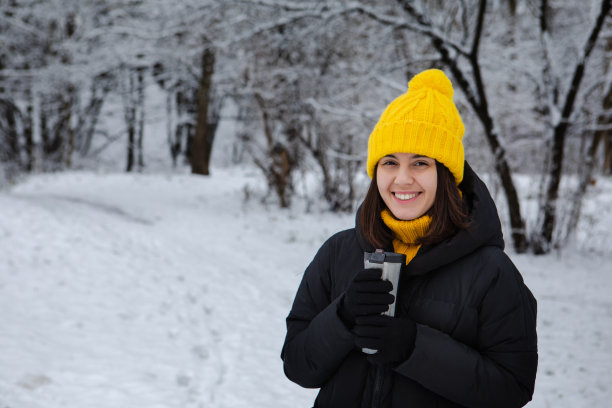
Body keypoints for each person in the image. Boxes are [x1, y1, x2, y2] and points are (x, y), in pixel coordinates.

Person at [280, 69, 538, 408]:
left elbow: (511, 389)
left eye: (419, 163)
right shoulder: (338, 252)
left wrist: (415, 348)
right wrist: (341, 316)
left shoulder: (491, 272)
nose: (402, 179)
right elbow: (298, 367)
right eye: (390, 162)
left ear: (445, 174)